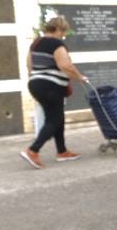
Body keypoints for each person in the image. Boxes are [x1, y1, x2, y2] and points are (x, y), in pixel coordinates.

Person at [20, 16, 89, 169]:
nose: (63, 35)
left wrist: (38, 80)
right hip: (51, 86)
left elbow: (28, 65)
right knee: (53, 120)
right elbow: (65, 65)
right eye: (63, 32)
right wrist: (79, 77)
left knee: (58, 117)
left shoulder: (35, 43)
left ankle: (62, 151)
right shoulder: (56, 44)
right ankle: (33, 150)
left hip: (35, 83)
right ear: (58, 29)